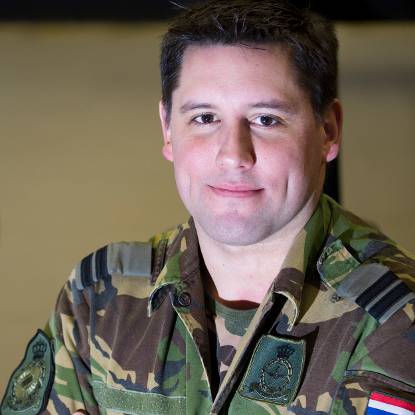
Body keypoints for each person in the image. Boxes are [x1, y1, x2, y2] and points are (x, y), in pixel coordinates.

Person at [2, 1, 415, 414]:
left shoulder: (395, 319)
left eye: (266, 119)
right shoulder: (100, 299)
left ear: (328, 130)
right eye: (204, 118)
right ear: (168, 129)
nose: (233, 156)